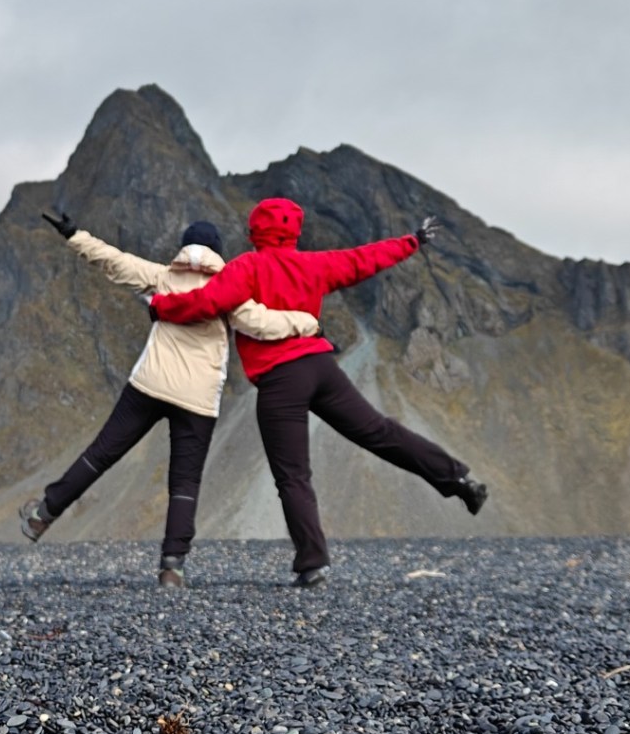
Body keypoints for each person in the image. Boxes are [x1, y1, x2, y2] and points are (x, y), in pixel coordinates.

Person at [149, 197, 488, 587]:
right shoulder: (315, 264)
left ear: (254, 232)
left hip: (280, 381)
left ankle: (314, 564)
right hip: (322, 367)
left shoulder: (247, 266)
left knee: (293, 476)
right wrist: (412, 240)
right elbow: (365, 259)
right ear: (295, 231)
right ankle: (458, 480)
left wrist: (161, 307)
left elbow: (208, 302)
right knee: (379, 432)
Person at [20, 211, 321, 587]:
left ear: (184, 248)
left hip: (149, 385)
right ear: (217, 252)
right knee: (185, 483)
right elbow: (263, 324)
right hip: (198, 400)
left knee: (100, 454)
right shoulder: (232, 288)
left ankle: (42, 515)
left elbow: (111, 260)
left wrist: (73, 233)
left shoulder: (162, 277)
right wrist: (308, 323)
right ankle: (172, 567)